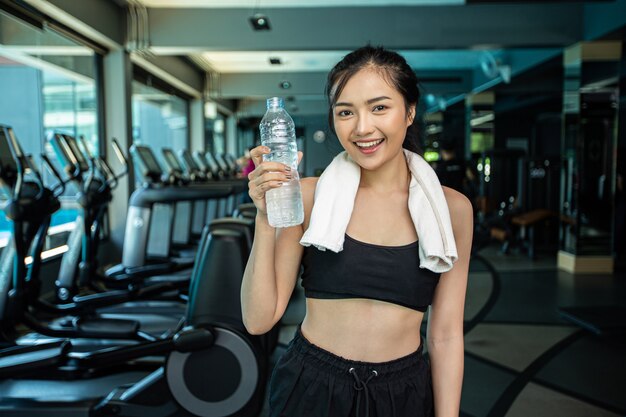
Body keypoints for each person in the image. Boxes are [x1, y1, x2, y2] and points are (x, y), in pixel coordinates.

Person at [241, 46, 473, 417]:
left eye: (379, 107)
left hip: (402, 394)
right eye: (346, 112)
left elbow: (444, 335)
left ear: (409, 111)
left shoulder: (452, 210)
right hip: (311, 386)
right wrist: (266, 218)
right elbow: (258, 319)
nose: (362, 127)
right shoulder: (309, 197)